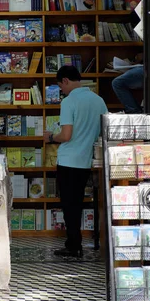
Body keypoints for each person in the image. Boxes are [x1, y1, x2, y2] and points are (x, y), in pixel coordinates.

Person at [43, 66, 108, 257]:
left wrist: (51, 138)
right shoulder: (98, 100)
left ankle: (73, 245)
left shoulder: (69, 102)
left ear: (65, 80)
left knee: (69, 206)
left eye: (60, 86)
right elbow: (106, 127)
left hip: (69, 160)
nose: (61, 91)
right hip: (87, 160)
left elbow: (66, 135)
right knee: (79, 202)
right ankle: (79, 242)